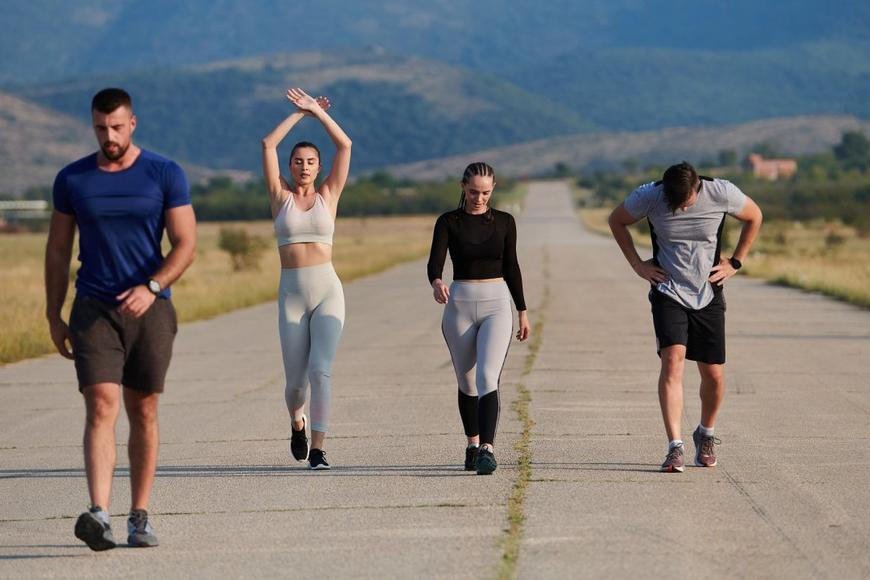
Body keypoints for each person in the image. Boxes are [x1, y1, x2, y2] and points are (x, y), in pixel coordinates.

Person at [45, 88, 196, 550]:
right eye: (100, 128)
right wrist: (53, 313)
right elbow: (57, 249)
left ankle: (140, 515)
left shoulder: (164, 173)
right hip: (93, 306)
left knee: (143, 409)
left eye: (116, 127)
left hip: (150, 309)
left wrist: (151, 287)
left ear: (133, 124)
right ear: (92, 126)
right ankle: (99, 512)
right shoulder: (73, 179)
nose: (108, 136)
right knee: (101, 404)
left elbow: (185, 243)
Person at [608, 162, 762, 472]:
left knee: (714, 375)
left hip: (708, 292)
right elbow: (616, 220)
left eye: (686, 202)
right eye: (672, 203)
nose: (679, 208)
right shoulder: (650, 195)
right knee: (672, 361)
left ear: (696, 189)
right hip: (668, 291)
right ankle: (674, 446)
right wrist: (638, 265)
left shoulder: (721, 191)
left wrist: (735, 262)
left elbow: (754, 216)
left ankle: (705, 433)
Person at [261, 88, 352, 470]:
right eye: (297, 161)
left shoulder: (329, 194)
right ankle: (296, 421)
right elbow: (268, 143)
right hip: (292, 293)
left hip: (327, 289)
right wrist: (300, 115)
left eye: (311, 161)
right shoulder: (278, 195)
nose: (303, 166)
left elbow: (345, 145)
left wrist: (318, 111)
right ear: (291, 164)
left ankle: (318, 447)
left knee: (321, 369)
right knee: (296, 382)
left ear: (318, 167)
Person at [427, 162, 530, 475]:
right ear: (463, 187)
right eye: (473, 191)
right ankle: (472, 444)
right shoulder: (448, 222)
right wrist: (436, 283)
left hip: (496, 304)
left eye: (485, 192)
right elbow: (436, 261)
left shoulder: (504, 222)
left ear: (493, 188)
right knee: (466, 381)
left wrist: (522, 310)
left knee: (487, 377)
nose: (479, 198)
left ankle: (488, 448)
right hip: (459, 304)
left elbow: (512, 266)